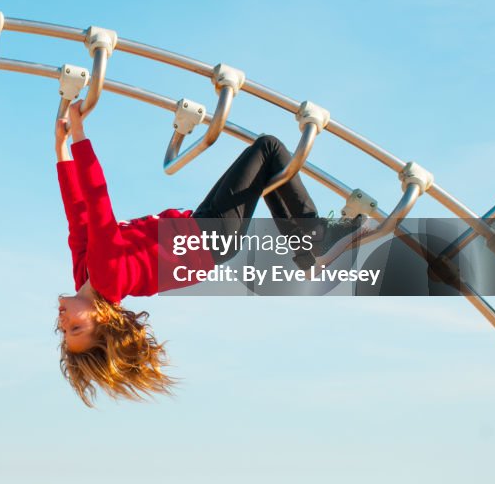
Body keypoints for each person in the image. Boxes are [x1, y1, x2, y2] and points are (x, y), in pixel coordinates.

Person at [54, 99, 371, 407]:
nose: (65, 321)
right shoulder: (107, 278)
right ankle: (316, 240)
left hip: (200, 226)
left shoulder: (84, 273)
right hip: (211, 237)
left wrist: (61, 150)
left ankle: (307, 253)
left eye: (65, 330)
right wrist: (80, 133)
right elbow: (97, 205)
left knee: (268, 167)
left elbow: (77, 215)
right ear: (102, 318)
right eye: (77, 328)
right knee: (269, 148)